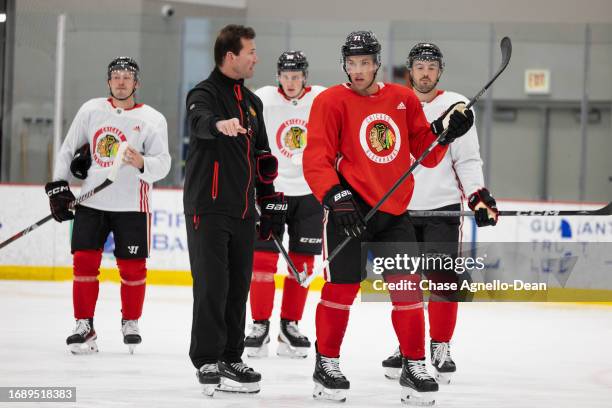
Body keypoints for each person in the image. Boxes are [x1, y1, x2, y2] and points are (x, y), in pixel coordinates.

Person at [302, 31, 474, 405]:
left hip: (394, 213)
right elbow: (315, 157)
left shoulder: (402, 98)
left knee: (407, 289)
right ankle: (326, 362)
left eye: (365, 62)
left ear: (377, 63)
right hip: (350, 212)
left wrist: (445, 135)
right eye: (352, 63)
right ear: (344, 64)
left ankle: (414, 364)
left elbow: (423, 152)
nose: (359, 70)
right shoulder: (330, 101)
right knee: (342, 288)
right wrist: (338, 197)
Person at [381, 42, 498, 385]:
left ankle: (441, 346)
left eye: (432, 67)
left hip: (442, 210)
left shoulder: (455, 105)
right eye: (420, 66)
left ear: (440, 71)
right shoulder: (393, 103)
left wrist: (477, 195)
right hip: (398, 209)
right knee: (405, 286)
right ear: (410, 70)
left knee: (444, 282)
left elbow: (468, 159)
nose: (426, 72)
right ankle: (409, 347)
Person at [183, 24, 287, 396]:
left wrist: (270, 199)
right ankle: (207, 358)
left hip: (244, 210)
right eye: (251, 52)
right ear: (231, 56)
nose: (256, 58)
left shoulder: (252, 103)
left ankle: (231, 356)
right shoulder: (203, 93)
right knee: (213, 284)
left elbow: (262, 157)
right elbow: (198, 122)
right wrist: (217, 124)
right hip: (207, 207)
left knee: (238, 286)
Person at [45, 56, 171, 355]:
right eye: (116, 76)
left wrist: (142, 162)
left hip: (132, 204)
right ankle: (84, 324)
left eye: (127, 76)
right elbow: (67, 149)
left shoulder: (152, 119)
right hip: (91, 201)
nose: (121, 81)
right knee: (84, 264)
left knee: (132, 268)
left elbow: (163, 163)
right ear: (108, 81)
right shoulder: (91, 110)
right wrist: (59, 187)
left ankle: (130, 321)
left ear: (136, 83)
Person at [244, 51, 326, 359]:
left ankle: (289, 326)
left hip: (311, 193)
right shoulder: (263, 98)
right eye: (286, 76)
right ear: (278, 76)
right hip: (273, 192)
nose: (291, 82)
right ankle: (260, 325)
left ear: (305, 76)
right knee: (262, 262)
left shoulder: (320, 98)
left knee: (302, 264)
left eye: (296, 76)